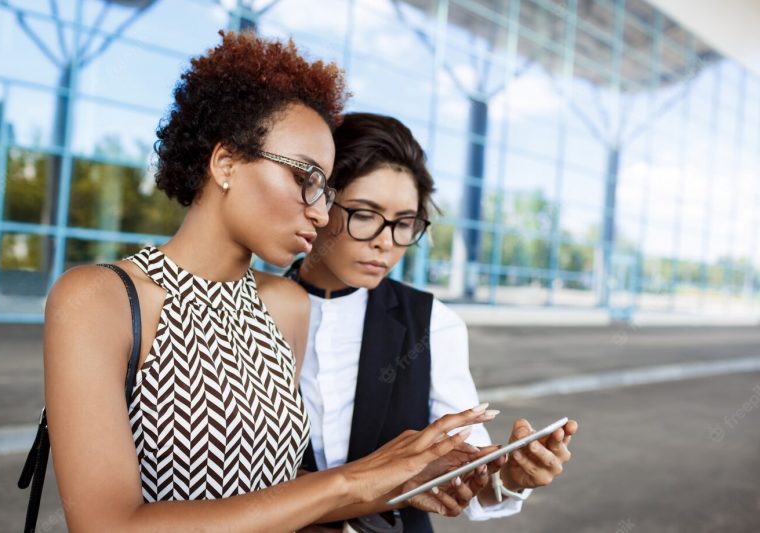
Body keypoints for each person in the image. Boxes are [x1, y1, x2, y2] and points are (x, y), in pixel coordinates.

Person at [42, 33, 498, 532]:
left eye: (326, 189)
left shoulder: (286, 305)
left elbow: (275, 494)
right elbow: (108, 526)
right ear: (226, 162)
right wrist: (351, 481)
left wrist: (402, 479)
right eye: (307, 179)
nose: (322, 213)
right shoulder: (98, 299)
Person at [287, 112, 579, 532]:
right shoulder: (252, 307)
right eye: (365, 214)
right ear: (322, 203)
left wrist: (511, 478)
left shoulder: (432, 324)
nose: (385, 241)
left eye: (405, 224)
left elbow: (465, 471)